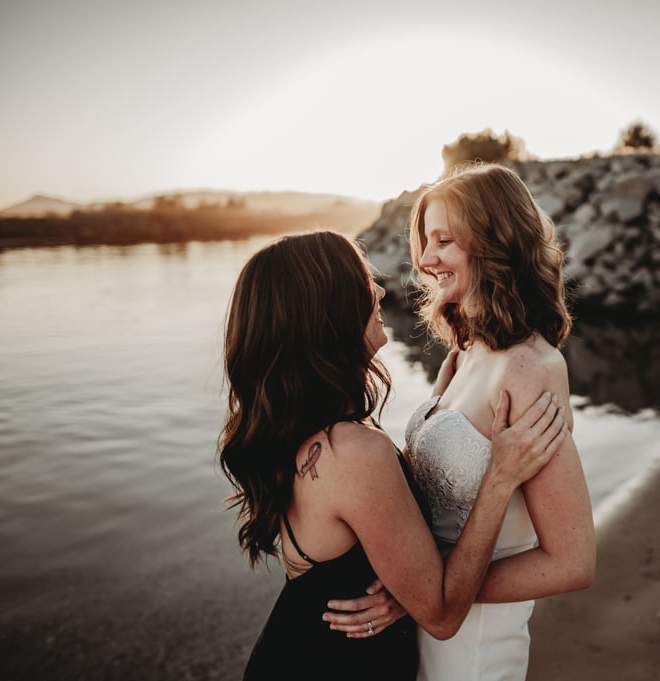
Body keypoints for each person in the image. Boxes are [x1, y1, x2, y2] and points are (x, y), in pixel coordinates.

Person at [218, 230, 568, 680]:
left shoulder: (305, 436)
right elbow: (441, 615)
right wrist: (499, 478)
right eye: (365, 283)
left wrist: (443, 406)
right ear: (329, 312)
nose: (381, 290)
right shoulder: (352, 452)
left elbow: (384, 526)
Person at [326, 163, 597, 680]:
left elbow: (573, 561)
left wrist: (423, 599)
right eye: (425, 242)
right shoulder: (464, 353)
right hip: (431, 629)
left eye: (444, 241)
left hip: (474, 649)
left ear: (496, 243)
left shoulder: (531, 369)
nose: (426, 261)